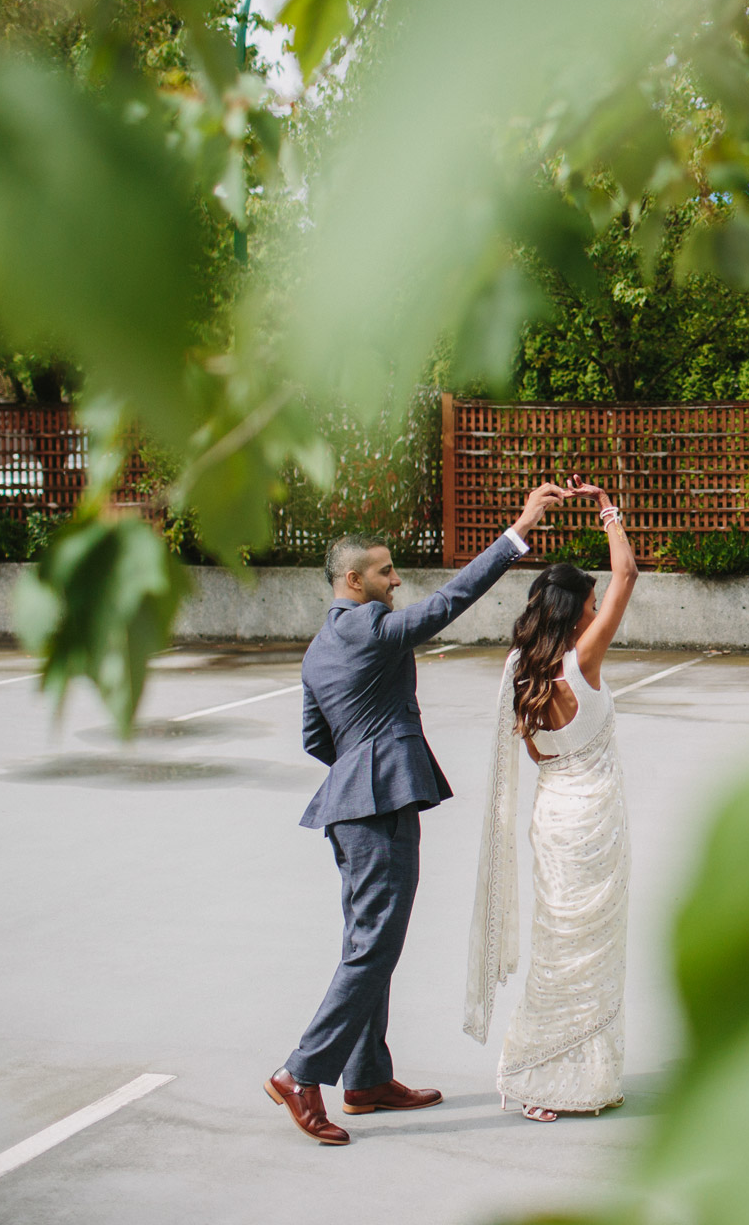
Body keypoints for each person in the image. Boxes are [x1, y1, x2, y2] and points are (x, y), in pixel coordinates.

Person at [265, 480, 569, 1147]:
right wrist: (520, 529)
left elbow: (318, 740)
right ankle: (301, 1071)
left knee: (366, 943)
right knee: (376, 944)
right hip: (379, 807)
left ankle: (367, 1078)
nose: (395, 580)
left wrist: (359, 769)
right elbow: (448, 603)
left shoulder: (319, 647)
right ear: (353, 580)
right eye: (384, 571)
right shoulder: (373, 629)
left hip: (349, 808)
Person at [464, 476, 638, 1121]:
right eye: (591, 605)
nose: (597, 613)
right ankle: (559, 1075)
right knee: (591, 946)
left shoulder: (521, 671)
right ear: (577, 613)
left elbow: (535, 754)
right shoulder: (582, 662)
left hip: (553, 817)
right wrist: (606, 509)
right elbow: (627, 573)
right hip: (595, 819)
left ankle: (551, 1073)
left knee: (559, 942)